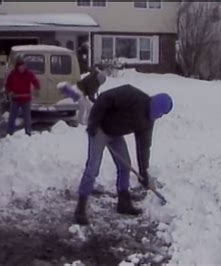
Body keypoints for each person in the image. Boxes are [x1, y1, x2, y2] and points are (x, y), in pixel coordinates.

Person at [74, 84, 173, 225]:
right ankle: (80, 208)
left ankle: (123, 203)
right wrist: (94, 122)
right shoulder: (132, 95)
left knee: (125, 166)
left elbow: (143, 148)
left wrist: (143, 173)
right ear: (153, 102)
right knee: (93, 167)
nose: (154, 114)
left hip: (115, 134)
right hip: (99, 127)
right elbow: (104, 98)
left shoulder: (147, 122)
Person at [4, 57, 40, 136]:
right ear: (17, 67)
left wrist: (37, 89)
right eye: (20, 66)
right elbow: (7, 85)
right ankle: (9, 133)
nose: (21, 68)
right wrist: (9, 92)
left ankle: (28, 133)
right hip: (15, 99)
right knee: (12, 117)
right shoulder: (13, 74)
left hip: (26, 99)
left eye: (23, 66)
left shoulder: (29, 73)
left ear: (25, 66)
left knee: (27, 118)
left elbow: (35, 81)